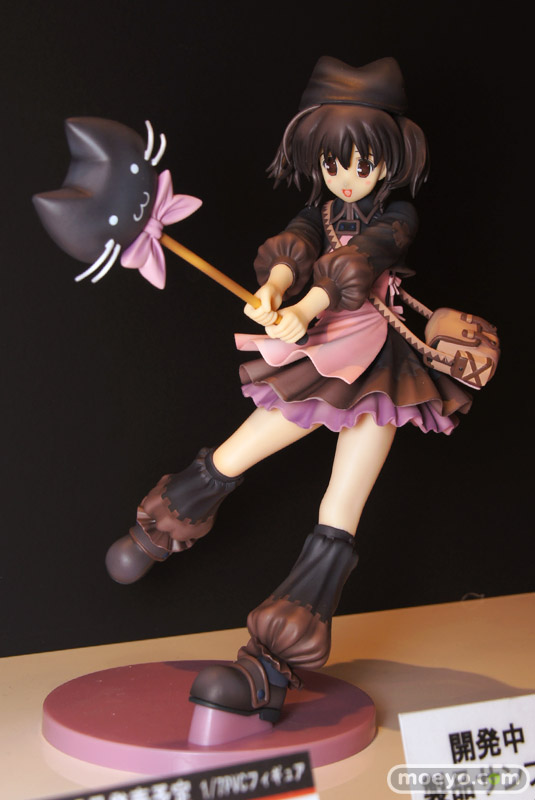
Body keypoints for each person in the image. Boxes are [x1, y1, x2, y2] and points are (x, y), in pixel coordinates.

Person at [106, 55, 472, 727]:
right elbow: (294, 247)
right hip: (323, 356)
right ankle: (158, 531)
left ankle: (271, 665)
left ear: (390, 160)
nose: (346, 176)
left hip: (381, 370)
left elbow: (361, 260)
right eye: (333, 163)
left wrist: (307, 307)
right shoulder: (319, 211)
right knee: (237, 450)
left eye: (362, 162)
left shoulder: (396, 215)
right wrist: (275, 291)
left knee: (340, 509)